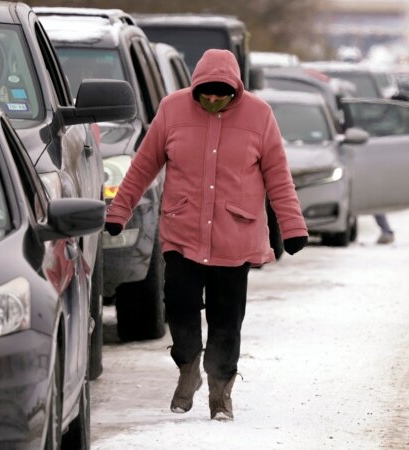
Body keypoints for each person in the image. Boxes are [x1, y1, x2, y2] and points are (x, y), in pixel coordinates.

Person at [104, 49, 308, 421]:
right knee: (180, 309)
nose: (213, 100)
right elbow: (142, 167)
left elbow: (279, 177)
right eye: (206, 94)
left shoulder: (260, 116)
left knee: (226, 320)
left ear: (235, 90)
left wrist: (293, 227)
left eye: (221, 94)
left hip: (235, 238)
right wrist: (119, 211)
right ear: (195, 87)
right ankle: (188, 369)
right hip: (182, 233)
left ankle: (220, 393)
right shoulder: (172, 110)